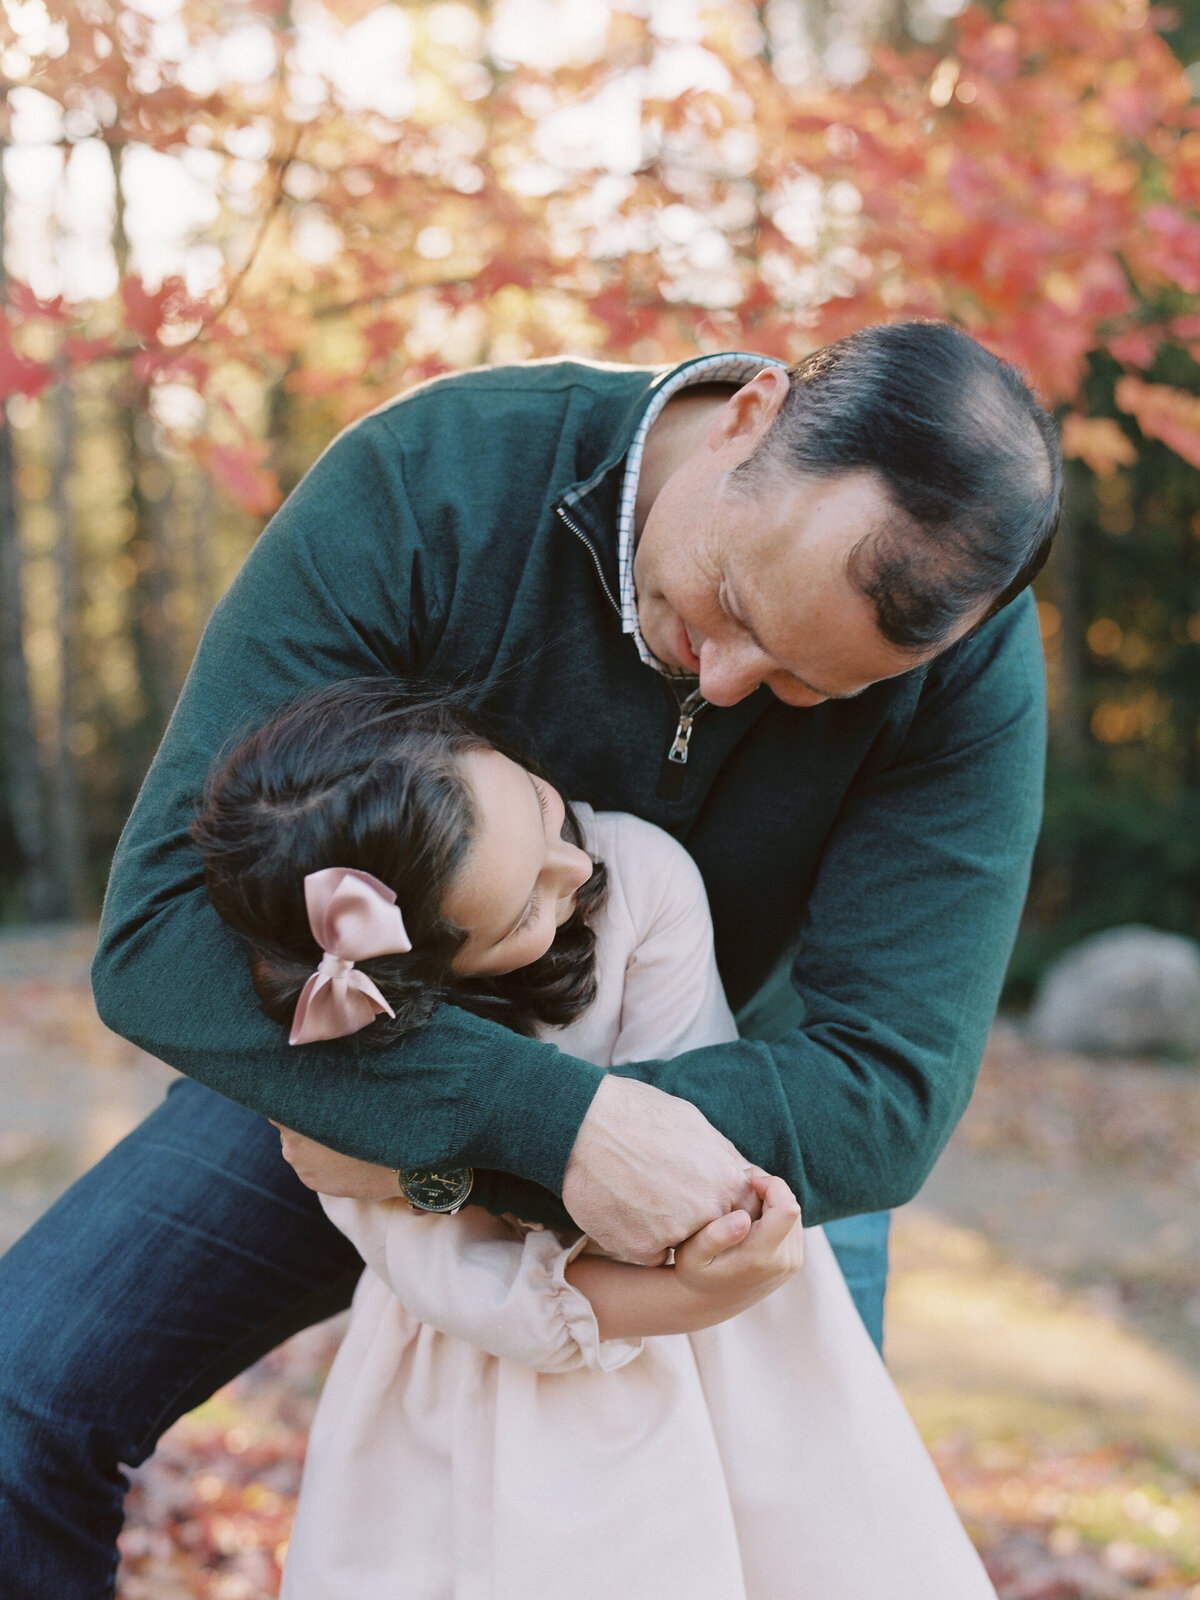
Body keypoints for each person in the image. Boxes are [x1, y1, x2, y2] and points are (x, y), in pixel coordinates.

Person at [0, 321, 1060, 1597]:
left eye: (804, 688)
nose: (727, 683)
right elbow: (162, 933)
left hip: (722, 1113)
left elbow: (885, 1096)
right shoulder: (434, 478)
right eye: (731, 604)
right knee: (21, 1401)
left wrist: (480, 1165)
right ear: (749, 414)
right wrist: (531, 1119)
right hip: (359, 1067)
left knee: (804, 1549)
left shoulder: (966, 662)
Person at [192, 675, 998, 1599]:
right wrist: (659, 1298)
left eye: (540, 809)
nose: (571, 873)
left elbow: (679, 1171)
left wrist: (678, 1272)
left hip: (727, 1353)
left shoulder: (639, 874)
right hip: (484, 1383)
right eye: (525, 909)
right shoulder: (339, 1033)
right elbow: (452, 1277)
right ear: (418, 978)